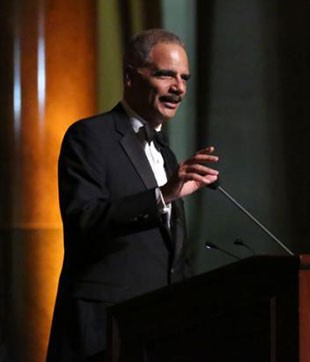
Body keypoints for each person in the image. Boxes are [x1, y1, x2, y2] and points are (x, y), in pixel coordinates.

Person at [46, 29, 218, 361]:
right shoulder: (89, 137)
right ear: (129, 76)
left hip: (156, 334)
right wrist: (163, 194)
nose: (179, 88)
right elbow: (85, 218)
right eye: (166, 74)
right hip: (102, 333)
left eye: (184, 78)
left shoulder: (166, 153)